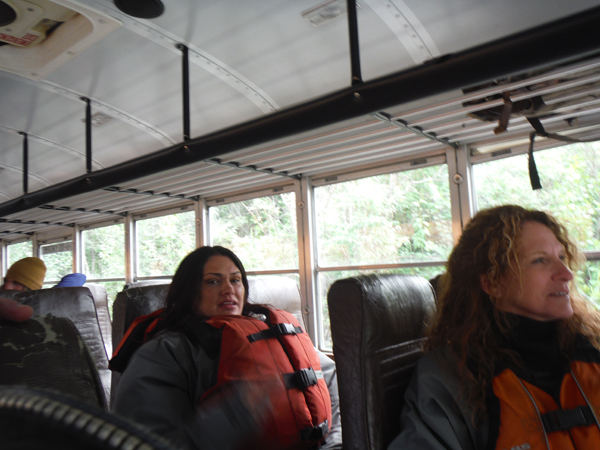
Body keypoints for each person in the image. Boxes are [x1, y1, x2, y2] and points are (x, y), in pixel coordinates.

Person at [389, 204, 600, 450]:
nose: (566, 273)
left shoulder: (593, 349)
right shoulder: (449, 378)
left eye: (562, 257)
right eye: (540, 260)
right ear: (492, 283)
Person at [112, 246, 342, 450]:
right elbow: (147, 442)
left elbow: (331, 382)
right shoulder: (163, 354)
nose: (228, 289)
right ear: (190, 291)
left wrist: (334, 443)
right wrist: (238, 412)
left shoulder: (274, 332)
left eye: (235, 280)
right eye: (213, 281)